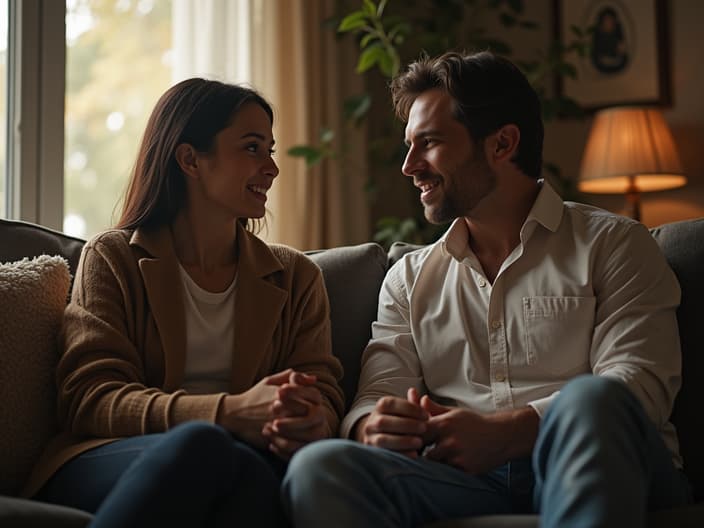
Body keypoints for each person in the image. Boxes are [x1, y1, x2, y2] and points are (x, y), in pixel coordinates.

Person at [282, 51, 691, 527]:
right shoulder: (409, 279)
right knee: (322, 467)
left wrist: (506, 433)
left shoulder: (614, 244)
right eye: (409, 146)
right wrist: (376, 424)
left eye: (429, 143)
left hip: (609, 465)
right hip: (469, 482)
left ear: (502, 143)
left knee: (593, 399)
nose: (409, 166)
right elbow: (375, 395)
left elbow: (640, 386)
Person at [23, 78, 344, 527]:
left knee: (253, 476)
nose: (271, 167)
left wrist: (307, 418)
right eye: (253, 148)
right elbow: (90, 399)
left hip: (242, 462)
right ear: (190, 159)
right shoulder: (113, 258)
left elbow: (324, 392)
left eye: (270, 150)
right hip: (108, 459)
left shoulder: (297, 279)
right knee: (205, 447)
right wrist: (227, 414)